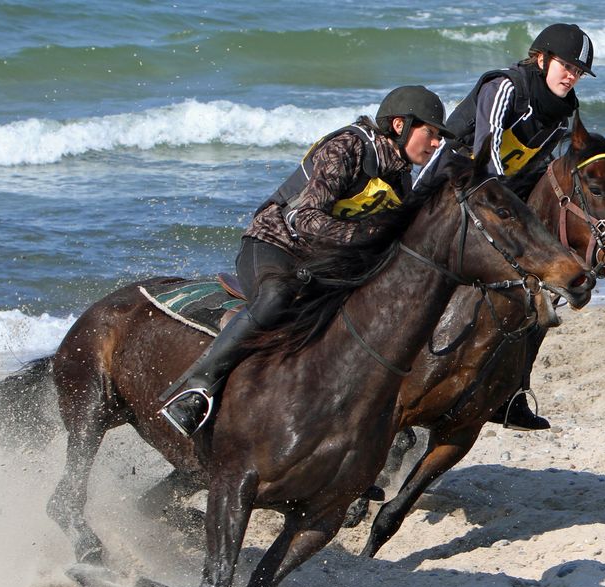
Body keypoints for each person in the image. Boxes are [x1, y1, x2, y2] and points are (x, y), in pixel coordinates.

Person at [159, 85, 454, 438]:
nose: (436, 143)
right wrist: (364, 237)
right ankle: (194, 389)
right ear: (399, 126)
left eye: (438, 137)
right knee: (276, 298)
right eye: (431, 133)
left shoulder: (401, 178)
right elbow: (303, 217)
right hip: (274, 243)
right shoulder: (348, 147)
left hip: (318, 264)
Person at [413, 22, 596, 430]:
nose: (571, 76)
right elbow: (487, 154)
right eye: (566, 65)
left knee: (540, 285)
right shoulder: (506, 87)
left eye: (578, 72)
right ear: (542, 59)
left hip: (492, 202)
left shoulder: (564, 115)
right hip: (446, 186)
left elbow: (536, 175)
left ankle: (510, 395)